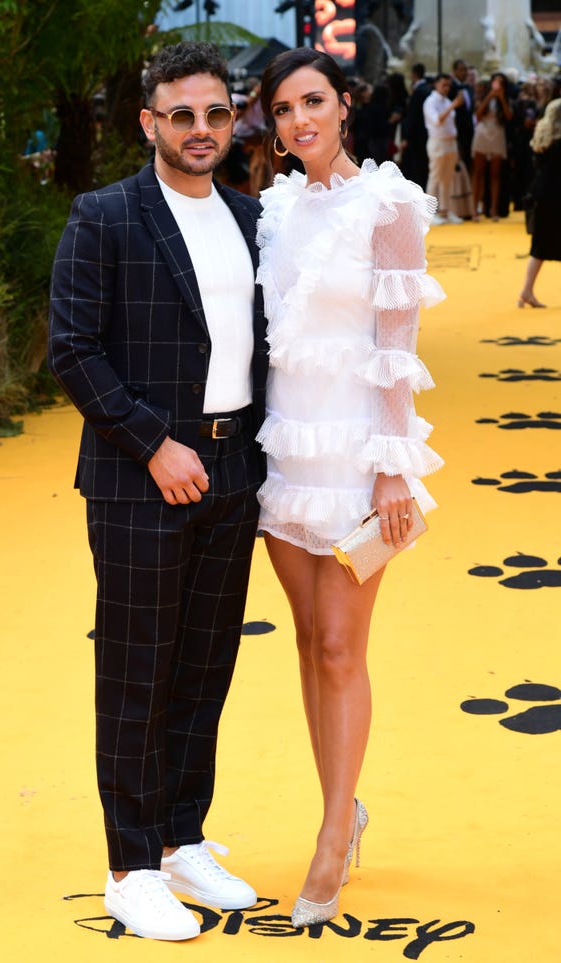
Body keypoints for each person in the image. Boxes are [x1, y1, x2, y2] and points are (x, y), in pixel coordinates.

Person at [48, 41, 268, 942]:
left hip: (236, 471)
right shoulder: (104, 216)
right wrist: (152, 444)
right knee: (137, 671)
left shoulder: (255, 218)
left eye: (216, 113)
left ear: (231, 118)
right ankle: (129, 865)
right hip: (145, 480)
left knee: (204, 668)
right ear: (149, 123)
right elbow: (73, 349)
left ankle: (182, 838)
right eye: (182, 115)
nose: (201, 130)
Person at [256, 47, 444, 929]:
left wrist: (394, 466)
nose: (302, 121)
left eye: (315, 101)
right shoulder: (271, 210)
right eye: (286, 109)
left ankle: (335, 832)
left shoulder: (391, 204)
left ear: (344, 106)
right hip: (285, 453)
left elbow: (398, 350)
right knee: (307, 642)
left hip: (360, 454)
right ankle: (345, 803)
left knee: (342, 645)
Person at [518, 98, 561, 308]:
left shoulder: (542, 141)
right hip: (555, 197)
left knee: (540, 246)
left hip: (541, 195)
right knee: (541, 246)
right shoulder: (558, 144)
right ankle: (526, 291)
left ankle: (526, 290)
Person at [423, 73, 465, 224]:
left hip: (450, 142)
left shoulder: (447, 101)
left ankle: (445, 211)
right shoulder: (430, 102)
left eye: (448, 85)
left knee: (447, 179)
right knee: (435, 177)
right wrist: (453, 105)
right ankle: (429, 214)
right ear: (436, 84)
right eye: (444, 85)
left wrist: (451, 105)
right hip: (437, 142)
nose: (447, 88)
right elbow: (437, 121)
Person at [470, 72, 513, 222]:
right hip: (482, 132)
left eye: (500, 82)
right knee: (478, 173)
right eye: (495, 81)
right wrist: (490, 96)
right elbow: (478, 114)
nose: (497, 84)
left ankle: (493, 209)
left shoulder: (505, 99)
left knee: (495, 174)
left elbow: (508, 117)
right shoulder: (483, 96)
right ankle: (474, 209)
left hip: (497, 133)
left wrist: (500, 97)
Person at [399, 63, 430, 189]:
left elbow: (413, 116)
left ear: (414, 74)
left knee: (417, 167)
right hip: (426, 134)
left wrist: (406, 137)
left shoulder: (418, 92)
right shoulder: (428, 89)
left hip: (416, 137)